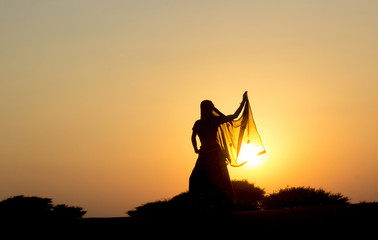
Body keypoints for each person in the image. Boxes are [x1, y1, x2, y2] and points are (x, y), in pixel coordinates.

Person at [189, 91, 248, 210]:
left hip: (215, 153)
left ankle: (228, 204)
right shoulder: (198, 123)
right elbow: (193, 136)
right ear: (202, 109)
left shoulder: (215, 121)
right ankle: (197, 205)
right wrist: (195, 148)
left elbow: (234, 116)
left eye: (209, 108)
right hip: (203, 154)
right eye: (205, 108)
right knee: (194, 178)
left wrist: (243, 102)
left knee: (222, 179)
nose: (207, 110)